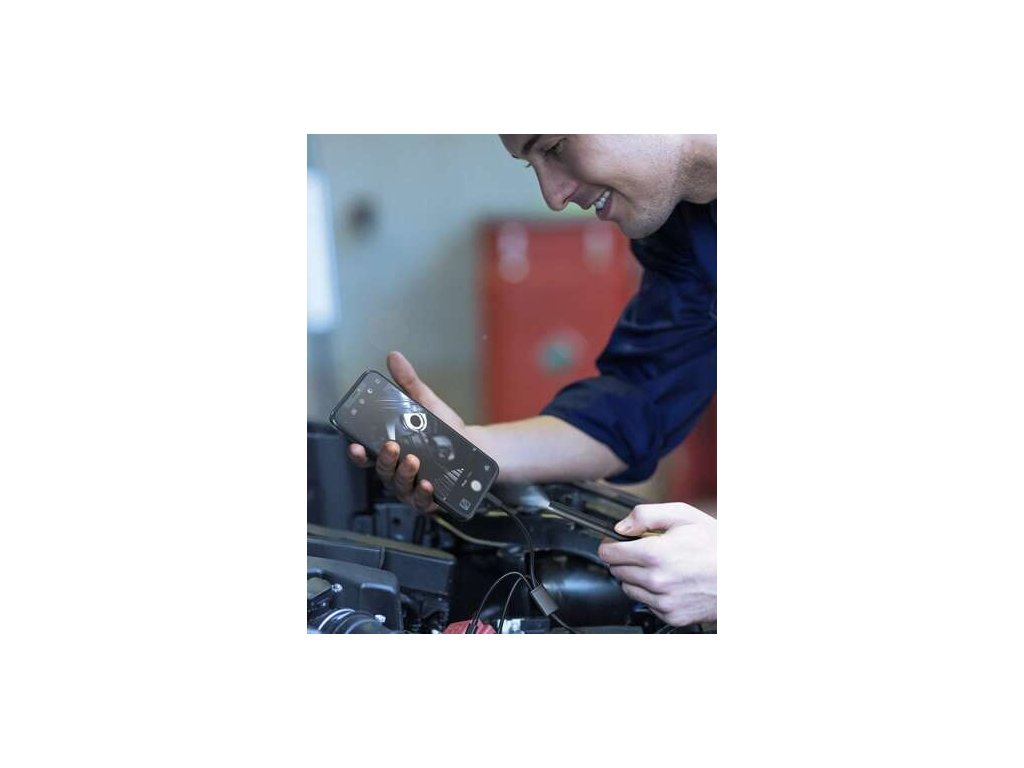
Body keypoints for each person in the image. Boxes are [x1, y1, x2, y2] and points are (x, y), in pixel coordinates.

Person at [347, 135, 717, 626]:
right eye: (531, 165)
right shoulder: (685, 232)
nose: (554, 196)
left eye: (556, 147)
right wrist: (471, 448)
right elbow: (637, 405)